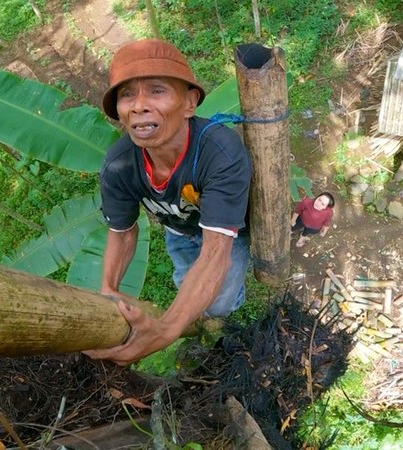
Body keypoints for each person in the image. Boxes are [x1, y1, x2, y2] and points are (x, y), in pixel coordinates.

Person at [83, 39, 253, 366]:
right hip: (178, 229)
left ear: (189, 103)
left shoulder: (219, 154)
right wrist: (108, 287)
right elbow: (122, 232)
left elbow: (216, 251)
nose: (139, 106)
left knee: (219, 302)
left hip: (226, 232)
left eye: (157, 90)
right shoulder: (120, 165)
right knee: (185, 281)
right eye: (127, 94)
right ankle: (197, 312)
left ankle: (228, 310)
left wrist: (165, 330)